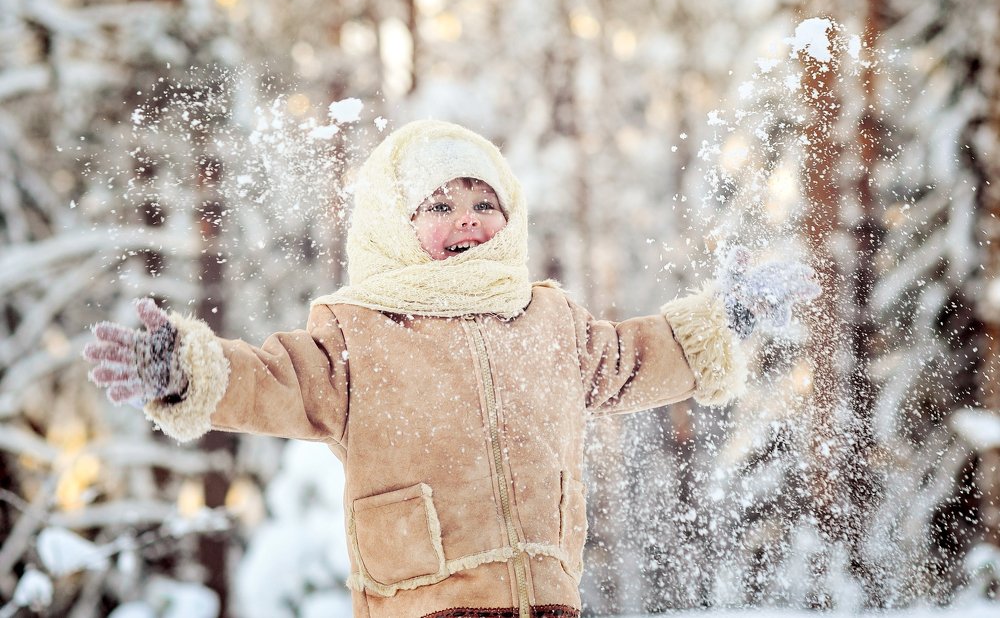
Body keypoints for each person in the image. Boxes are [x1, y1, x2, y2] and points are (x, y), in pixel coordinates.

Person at [84, 120, 819, 618]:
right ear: (390, 226)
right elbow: (269, 381)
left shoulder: (548, 321)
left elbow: (636, 359)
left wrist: (728, 318)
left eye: (483, 201)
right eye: (438, 204)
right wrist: (186, 369)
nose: (467, 217)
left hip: (546, 595)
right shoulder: (360, 333)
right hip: (423, 598)